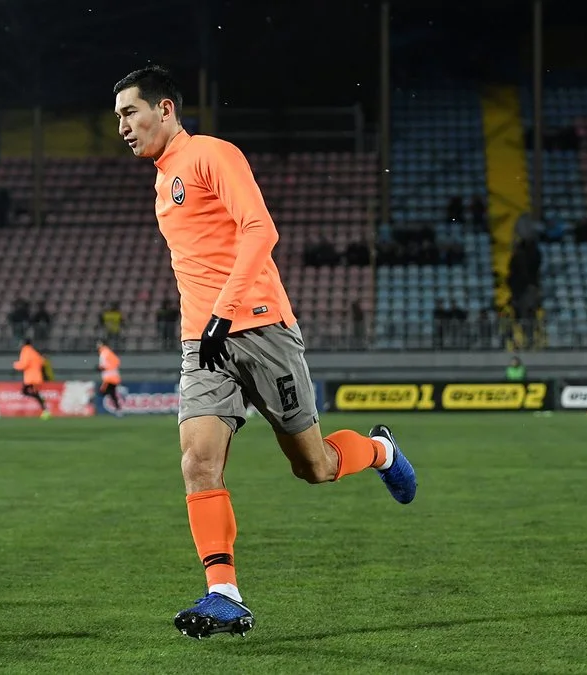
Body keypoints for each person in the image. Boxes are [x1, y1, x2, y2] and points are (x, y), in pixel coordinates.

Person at [113, 65, 417, 640]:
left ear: (165, 109)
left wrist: (224, 312)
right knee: (198, 462)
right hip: (202, 343)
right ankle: (224, 595)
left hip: (260, 328)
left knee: (315, 467)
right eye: (118, 117)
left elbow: (260, 230)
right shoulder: (161, 179)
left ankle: (380, 451)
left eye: (130, 112)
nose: (122, 126)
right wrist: (204, 325)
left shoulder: (212, 154)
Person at [13, 338, 49, 419]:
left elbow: (24, 364)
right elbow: (42, 362)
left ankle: (43, 406)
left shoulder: (25, 351)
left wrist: (15, 365)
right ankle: (44, 409)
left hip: (30, 377)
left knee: (24, 391)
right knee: (32, 392)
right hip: (37, 377)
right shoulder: (34, 351)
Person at [96, 339, 124, 417]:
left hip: (110, 377)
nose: (97, 346)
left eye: (98, 344)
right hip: (112, 377)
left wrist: (102, 368)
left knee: (102, 392)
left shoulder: (105, 353)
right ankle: (118, 410)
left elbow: (112, 363)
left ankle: (121, 391)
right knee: (112, 394)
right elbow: (115, 362)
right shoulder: (106, 352)